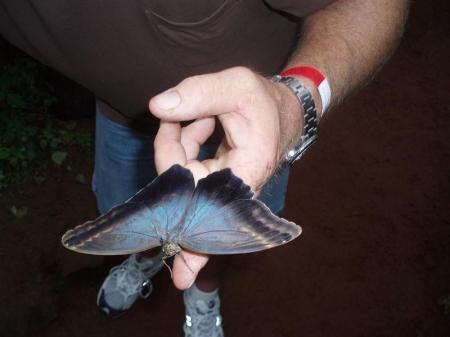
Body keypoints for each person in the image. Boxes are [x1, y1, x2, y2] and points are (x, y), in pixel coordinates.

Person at [0, 0, 410, 336]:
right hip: (120, 117)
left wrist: (291, 106)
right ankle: (143, 261)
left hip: (251, 126)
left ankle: (203, 293)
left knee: (210, 247)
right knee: (124, 212)